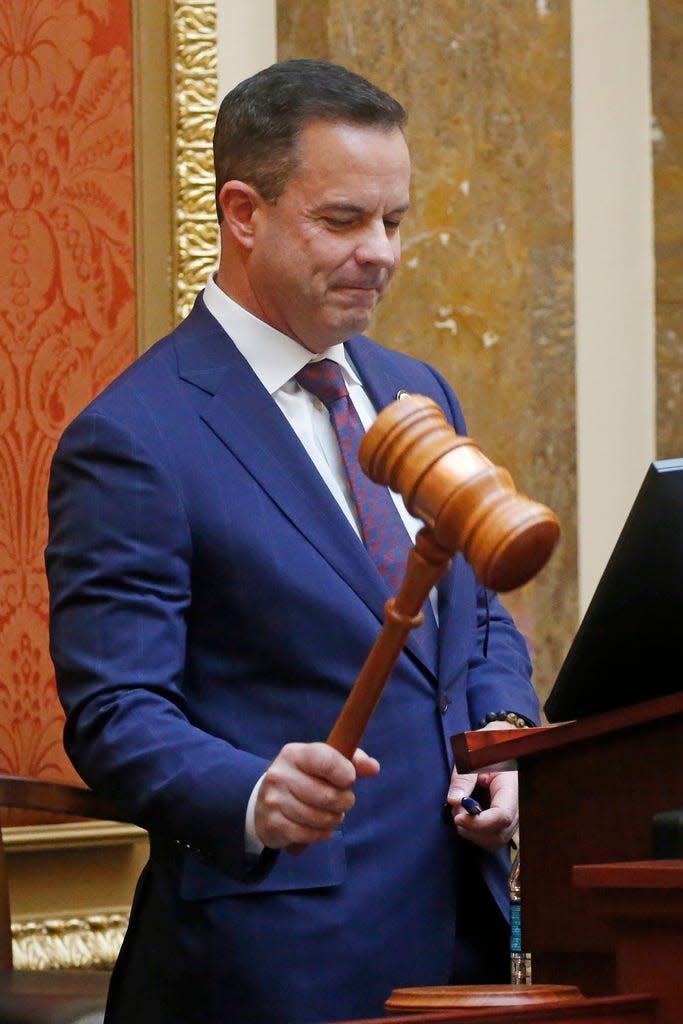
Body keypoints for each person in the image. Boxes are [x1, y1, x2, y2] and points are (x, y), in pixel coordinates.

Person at [45, 58, 541, 1024]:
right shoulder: (135, 438)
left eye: (393, 221)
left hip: (461, 937)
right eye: (343, 220)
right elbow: (114, 710)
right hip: (273, 960)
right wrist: (251, 792)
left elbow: (473, 623)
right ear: (243, 211)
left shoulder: (413, 389)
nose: (382, 252)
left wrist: (504, 740)